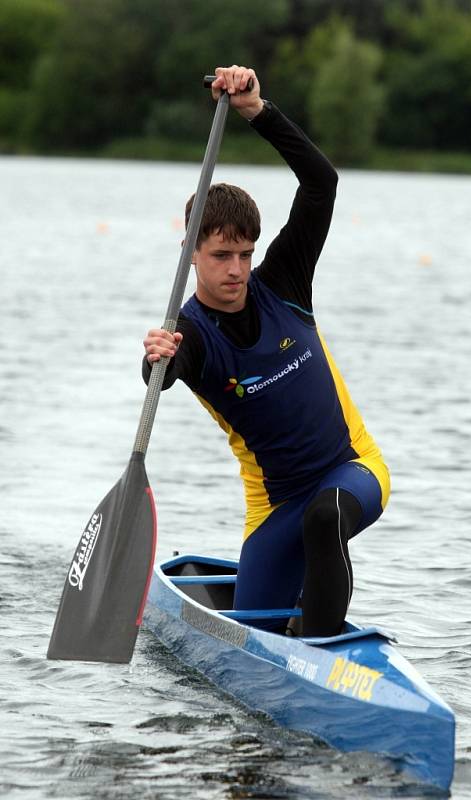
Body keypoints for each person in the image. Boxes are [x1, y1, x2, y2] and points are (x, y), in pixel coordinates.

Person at [143, 65, 390, 637]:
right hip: (275, 509)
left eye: (245, 254)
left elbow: (321, 181)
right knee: (261, 612)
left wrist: (258, 110)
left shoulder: (283, 282)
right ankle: (302, 628)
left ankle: (325, 644)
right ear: (192, 251)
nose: (237, 270)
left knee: (325, 517)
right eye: (222, 256)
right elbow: (166, 367)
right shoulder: (191, 333)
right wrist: (156, 356)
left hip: (353, 471)